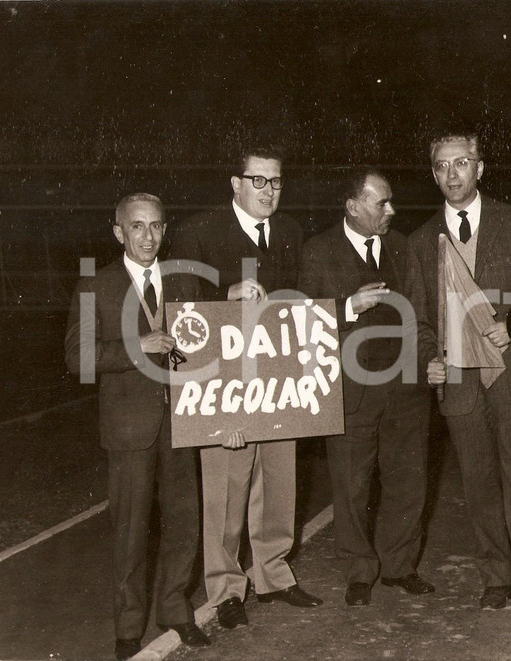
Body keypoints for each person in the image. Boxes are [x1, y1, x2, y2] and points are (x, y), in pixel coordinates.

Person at [404, 128, 511, 621]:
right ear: (433, 174)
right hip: (458, 381)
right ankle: (497, 576)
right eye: (441, 167)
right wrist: (428, 358)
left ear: (480, 168)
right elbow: (420, 319)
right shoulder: (418, 240)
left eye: (460, 163)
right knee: (478, 484)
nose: (451, 174)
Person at [167, 145, 321, 631]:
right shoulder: (199, 231)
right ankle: (226, 588)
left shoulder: (292, 232)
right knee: (227, 492)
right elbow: (177, 305)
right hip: (223, 387)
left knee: (279, 484)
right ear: (235, 184)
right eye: (259, 181)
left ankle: (274, 573)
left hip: (277, 385)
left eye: (276, 181)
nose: (269, 191)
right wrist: (223, 294)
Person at [65, 193, 209, 659]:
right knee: (130, 531)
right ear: (119, 232)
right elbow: (78, 358)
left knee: (184, 522)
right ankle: (127, 629)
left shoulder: (184, 279)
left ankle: (175, 611)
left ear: (165, 230)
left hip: (182, 422)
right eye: (138, 227)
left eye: (156, 227)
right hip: (129, 429)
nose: (148, 237)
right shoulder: (96, 285)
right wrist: (138, 346)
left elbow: (212, 338)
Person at [299, 168, 433, 607]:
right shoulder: (318, 251)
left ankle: (399, 566)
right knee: (352, 486)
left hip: (405, 388)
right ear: (353, 206)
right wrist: (349, 307)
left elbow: (420, 312)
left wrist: (427, 362)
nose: (391, 210)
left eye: (391, 201)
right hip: (351, 393)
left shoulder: (401, 246)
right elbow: (303, 321)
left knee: (407, 481)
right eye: (382, 203)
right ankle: (359, 571)